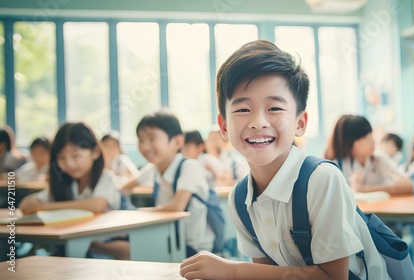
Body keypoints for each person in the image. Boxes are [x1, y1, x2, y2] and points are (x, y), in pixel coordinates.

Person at [180, 40, 390, 279]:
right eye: (242, 109)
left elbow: (333, 277)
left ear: (300, 123)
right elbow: (265, 274)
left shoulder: (321, 180)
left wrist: (233, 270)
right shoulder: (240, 198)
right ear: (224, 127)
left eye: (275, 108)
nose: (258, 122)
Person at [19, 122, 128, 259]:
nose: (69, 163)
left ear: (95, 152)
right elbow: (25, 205)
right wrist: (41, 205)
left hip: (105, 248)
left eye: (76, 156)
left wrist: (47, 207)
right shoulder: (66, 183)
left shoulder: (105, 177)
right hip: (75, 247)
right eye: (61, 157)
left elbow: (96, 205)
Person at [121, 111, 215, 257]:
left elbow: (177, 206)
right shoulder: (154, 168)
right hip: (167, 238)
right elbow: (124, 189)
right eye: (141, 140)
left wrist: (136, 214)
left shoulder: (189, 166)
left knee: (124, 248)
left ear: (177, 142)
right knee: (119, 242)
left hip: (193, 249)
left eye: (152, 139)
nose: (145, 147)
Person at [325, 115, 413, 194]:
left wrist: (364, 189)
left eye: (372, 136)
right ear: (353, 143)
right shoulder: (337, 166)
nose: (373, 141)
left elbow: (409, 186)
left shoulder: (379, 159)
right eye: (367, 138)